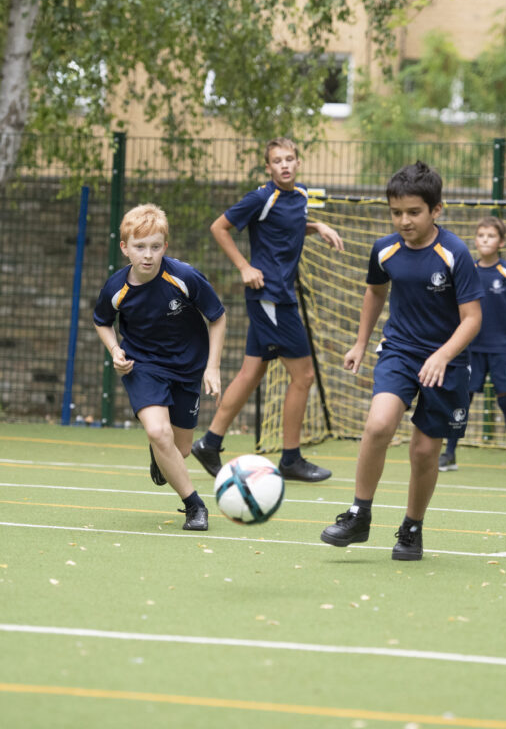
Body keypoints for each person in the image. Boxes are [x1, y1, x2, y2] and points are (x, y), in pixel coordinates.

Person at [320, 161, 483, 560]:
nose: (404, 220)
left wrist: (443, 355)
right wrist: (361, 343)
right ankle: (359, 514)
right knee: (378, 425)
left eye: (414, 212)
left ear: (436, 211)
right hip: (399, 351)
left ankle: (412, 529)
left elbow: (473, 319)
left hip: (448, 362)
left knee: (425, 451)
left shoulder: (454, 253)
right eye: (396, 213)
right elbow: (375, 293)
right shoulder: (384, 249)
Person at [191, 137, 344, 483]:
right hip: (270, 297)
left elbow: (287, 226)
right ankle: (291, 458)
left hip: (278, 297)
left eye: (290, 159)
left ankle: (209, 444)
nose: (285, 165)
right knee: (303, 376)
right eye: (277, 161)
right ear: (268, 167)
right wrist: (245, 266)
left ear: (298, 162)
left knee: (251, 373)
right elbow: (220, 227)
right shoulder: (261, 197)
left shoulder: (300, 196)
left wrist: (317, 226)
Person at [93, 203, 226, 531]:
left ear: (165, 246)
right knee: (157, 430)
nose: (148, 255)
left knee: (179, 449)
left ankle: (160, 453)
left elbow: (218, 317)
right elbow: (102, 321)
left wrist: (212, 367)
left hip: (188, 369)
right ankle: (195, 505)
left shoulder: (185, 277)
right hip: (144, 366)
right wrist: (115, 351)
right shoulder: (116, 288)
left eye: (155, 246)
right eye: (139, 247)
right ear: (125, 248)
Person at [438, 214, 506, 476]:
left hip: (502, 348)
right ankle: (449, 454)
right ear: (475, 239)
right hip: (471, 349)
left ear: (501, 242)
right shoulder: (467, 269)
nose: (485, 239)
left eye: (491, 236)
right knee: (462, 399)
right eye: (481, 235)